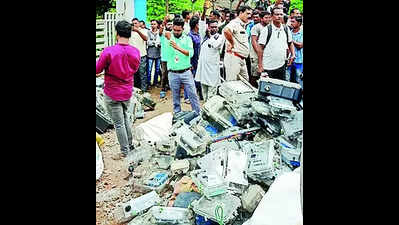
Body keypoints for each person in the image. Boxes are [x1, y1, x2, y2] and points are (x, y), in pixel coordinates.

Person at [96, 20, 140, 159]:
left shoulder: (109, 51)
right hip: (127, 91)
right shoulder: (135, 52)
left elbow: (97, 69)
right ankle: (130, 145)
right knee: (125, 118)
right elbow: (135, 69)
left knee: (119, 123)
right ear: (130, 33)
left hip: (112, 92)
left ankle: (125, 151)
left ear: (116, 33)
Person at [164, 17, 201, 114]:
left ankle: (197, 114)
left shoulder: (188, 39)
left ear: (183, 29)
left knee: (193, 94)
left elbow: (191, 53)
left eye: (178, 30)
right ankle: (177, 114)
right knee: (175, 97)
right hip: (172, 72)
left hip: (186, 72)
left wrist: (178, 48)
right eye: (174, 30)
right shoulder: (168, 37)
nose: (176, 32)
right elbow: (162, 33)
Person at [257, 7, 295, 80]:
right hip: (268, 66)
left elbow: (290, 43)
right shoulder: (267, 30)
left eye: (281, 14)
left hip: (282, 65)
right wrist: (260, 66)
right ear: (271, 16)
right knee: (268, 89)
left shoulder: (286, 29)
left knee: (281, 87)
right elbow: (260, 48)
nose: (279, 16)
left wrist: (293, 55)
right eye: (277, 14)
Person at [195, 20, 225, 101]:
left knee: (212, 95)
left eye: (216, 27)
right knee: (204, 93)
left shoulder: (220, 37)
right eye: (212, 27)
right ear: (208, 27)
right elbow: (201, 23)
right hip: (203, 69)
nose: (214, 29)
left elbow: (215, 45)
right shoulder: (203, 36)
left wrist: (210, 36)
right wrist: (204, 11)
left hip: (213, 70)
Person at [223, 5, 252, 81]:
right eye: (247, 13)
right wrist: (232, 43)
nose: (249, 16)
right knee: (231, 83)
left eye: (250, 14)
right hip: (233, 58)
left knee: (245, 82)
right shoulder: (235, 23)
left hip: (241, 59)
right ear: (241, 13)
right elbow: (226, 30)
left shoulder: (243, 25)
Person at [250, 11, 271, 88]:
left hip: (266, 55)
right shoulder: (256, 27)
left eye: (269, 17)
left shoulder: (270, 27)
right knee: (255, 75)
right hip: (255, 55)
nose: (268, 19)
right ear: (261, 19)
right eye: (266, 18)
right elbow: (254, 42)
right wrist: (259, 53)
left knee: (264, 75)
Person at [184, 16, 203, 103]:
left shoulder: (198, 34)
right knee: (189, 79)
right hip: (191, 61)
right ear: (196, 25)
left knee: (196, 79)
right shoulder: (190, 36)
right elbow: (188, 50)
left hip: (197, 60)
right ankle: (187, 97)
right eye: (198, 23)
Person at [129, 18, 148, 92]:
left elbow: (146, 38)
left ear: (139, 23)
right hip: (132, 57)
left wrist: (137, 31)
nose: (134, 25)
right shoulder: (129, 32)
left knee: (142, 73)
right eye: (133, 23)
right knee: (134, 74)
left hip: (141, 55)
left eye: (136, 23)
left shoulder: (143, 30)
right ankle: (135, 90)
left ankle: (143, 90)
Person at [159, 18, 173, 92]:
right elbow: (160, 30)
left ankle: (171, 86)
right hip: (164, 57)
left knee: (172, 73)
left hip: (172, 57)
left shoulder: (174, 34)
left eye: (171, 24)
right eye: (168, 24)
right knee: (164, 74)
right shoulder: (163, 34)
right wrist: (164, 21)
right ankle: (163, 88)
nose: (170, 26)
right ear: (166, 25)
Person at [147, 20, 162, 88]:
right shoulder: (148, 32)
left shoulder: (160, 32)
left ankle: (155, 83)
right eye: (152, 24)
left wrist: (152, 42)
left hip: (158, 54)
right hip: (150, 54)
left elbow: (161, 42)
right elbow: (148, 42)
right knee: (149, 70)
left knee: (157, 69)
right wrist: (155, 43)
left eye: (154, 24)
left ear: (157, 25)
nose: (153, 25)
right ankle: (149, 83)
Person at [289, 16, 303, 88]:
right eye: (291, 21)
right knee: (288, 80)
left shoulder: (302, 33)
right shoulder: (289, 32)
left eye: (293, 22)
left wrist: (290, 40)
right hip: (289, 60)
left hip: (299, 60)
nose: (291, 23)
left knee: (299, 80)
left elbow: (300, 45)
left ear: (299, 23)